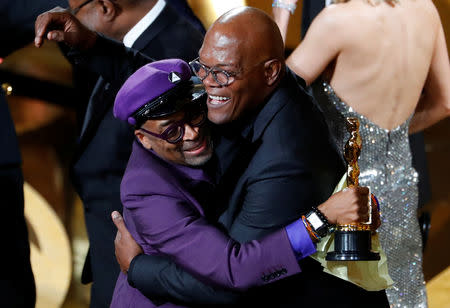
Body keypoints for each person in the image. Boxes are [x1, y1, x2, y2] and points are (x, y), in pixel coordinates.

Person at [35, 6, 389, 307]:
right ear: (143, 136)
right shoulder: (153, 184)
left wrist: (138, 267)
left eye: (222, 73)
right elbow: (157, 88)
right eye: (202, 69)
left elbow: (236, 277)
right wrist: (92, 46)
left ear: (270, 72)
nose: (207, 85)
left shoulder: (286, 157)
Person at [109, 58, 381, 307]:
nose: (192, 133)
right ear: (143, 139)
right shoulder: (147, 193)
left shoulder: (219, 117)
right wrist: (323, 218)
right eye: (171, 131)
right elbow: (233, 270)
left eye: (193, 113)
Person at [36, 1, 203, 307]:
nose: (73, 21)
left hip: (145, 272)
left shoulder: (179, 47)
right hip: (113, 258)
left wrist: (140, 268)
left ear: (105, 7)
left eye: (75, 10)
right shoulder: (125, 43)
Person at [285, 0, 450, 307]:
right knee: (403, 295)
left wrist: (281, 11)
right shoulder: (425, 9)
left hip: (346, 199)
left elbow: (274, 93)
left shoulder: (338, 21)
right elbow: (446, 102)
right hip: (401, 186)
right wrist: (390, 138)